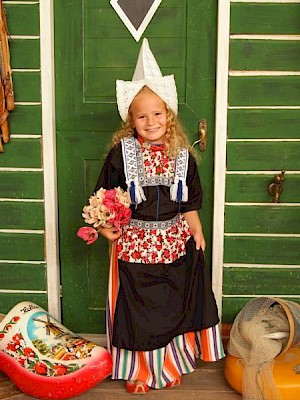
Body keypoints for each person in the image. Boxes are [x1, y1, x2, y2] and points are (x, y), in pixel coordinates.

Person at [93, 38, 225, 395]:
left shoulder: (182, 155)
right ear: (130, 120)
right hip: (135, 242)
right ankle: (139, 370)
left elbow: (190, 204)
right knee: (139, 308)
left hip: (173, 241)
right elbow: (103, 196)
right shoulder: (122, 155)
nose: (150, 121)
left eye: (158, 113)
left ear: (169, 114)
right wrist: (106, 228)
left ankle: (169, 363)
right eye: (141, 115)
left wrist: (196, 231)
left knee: (171, 304)